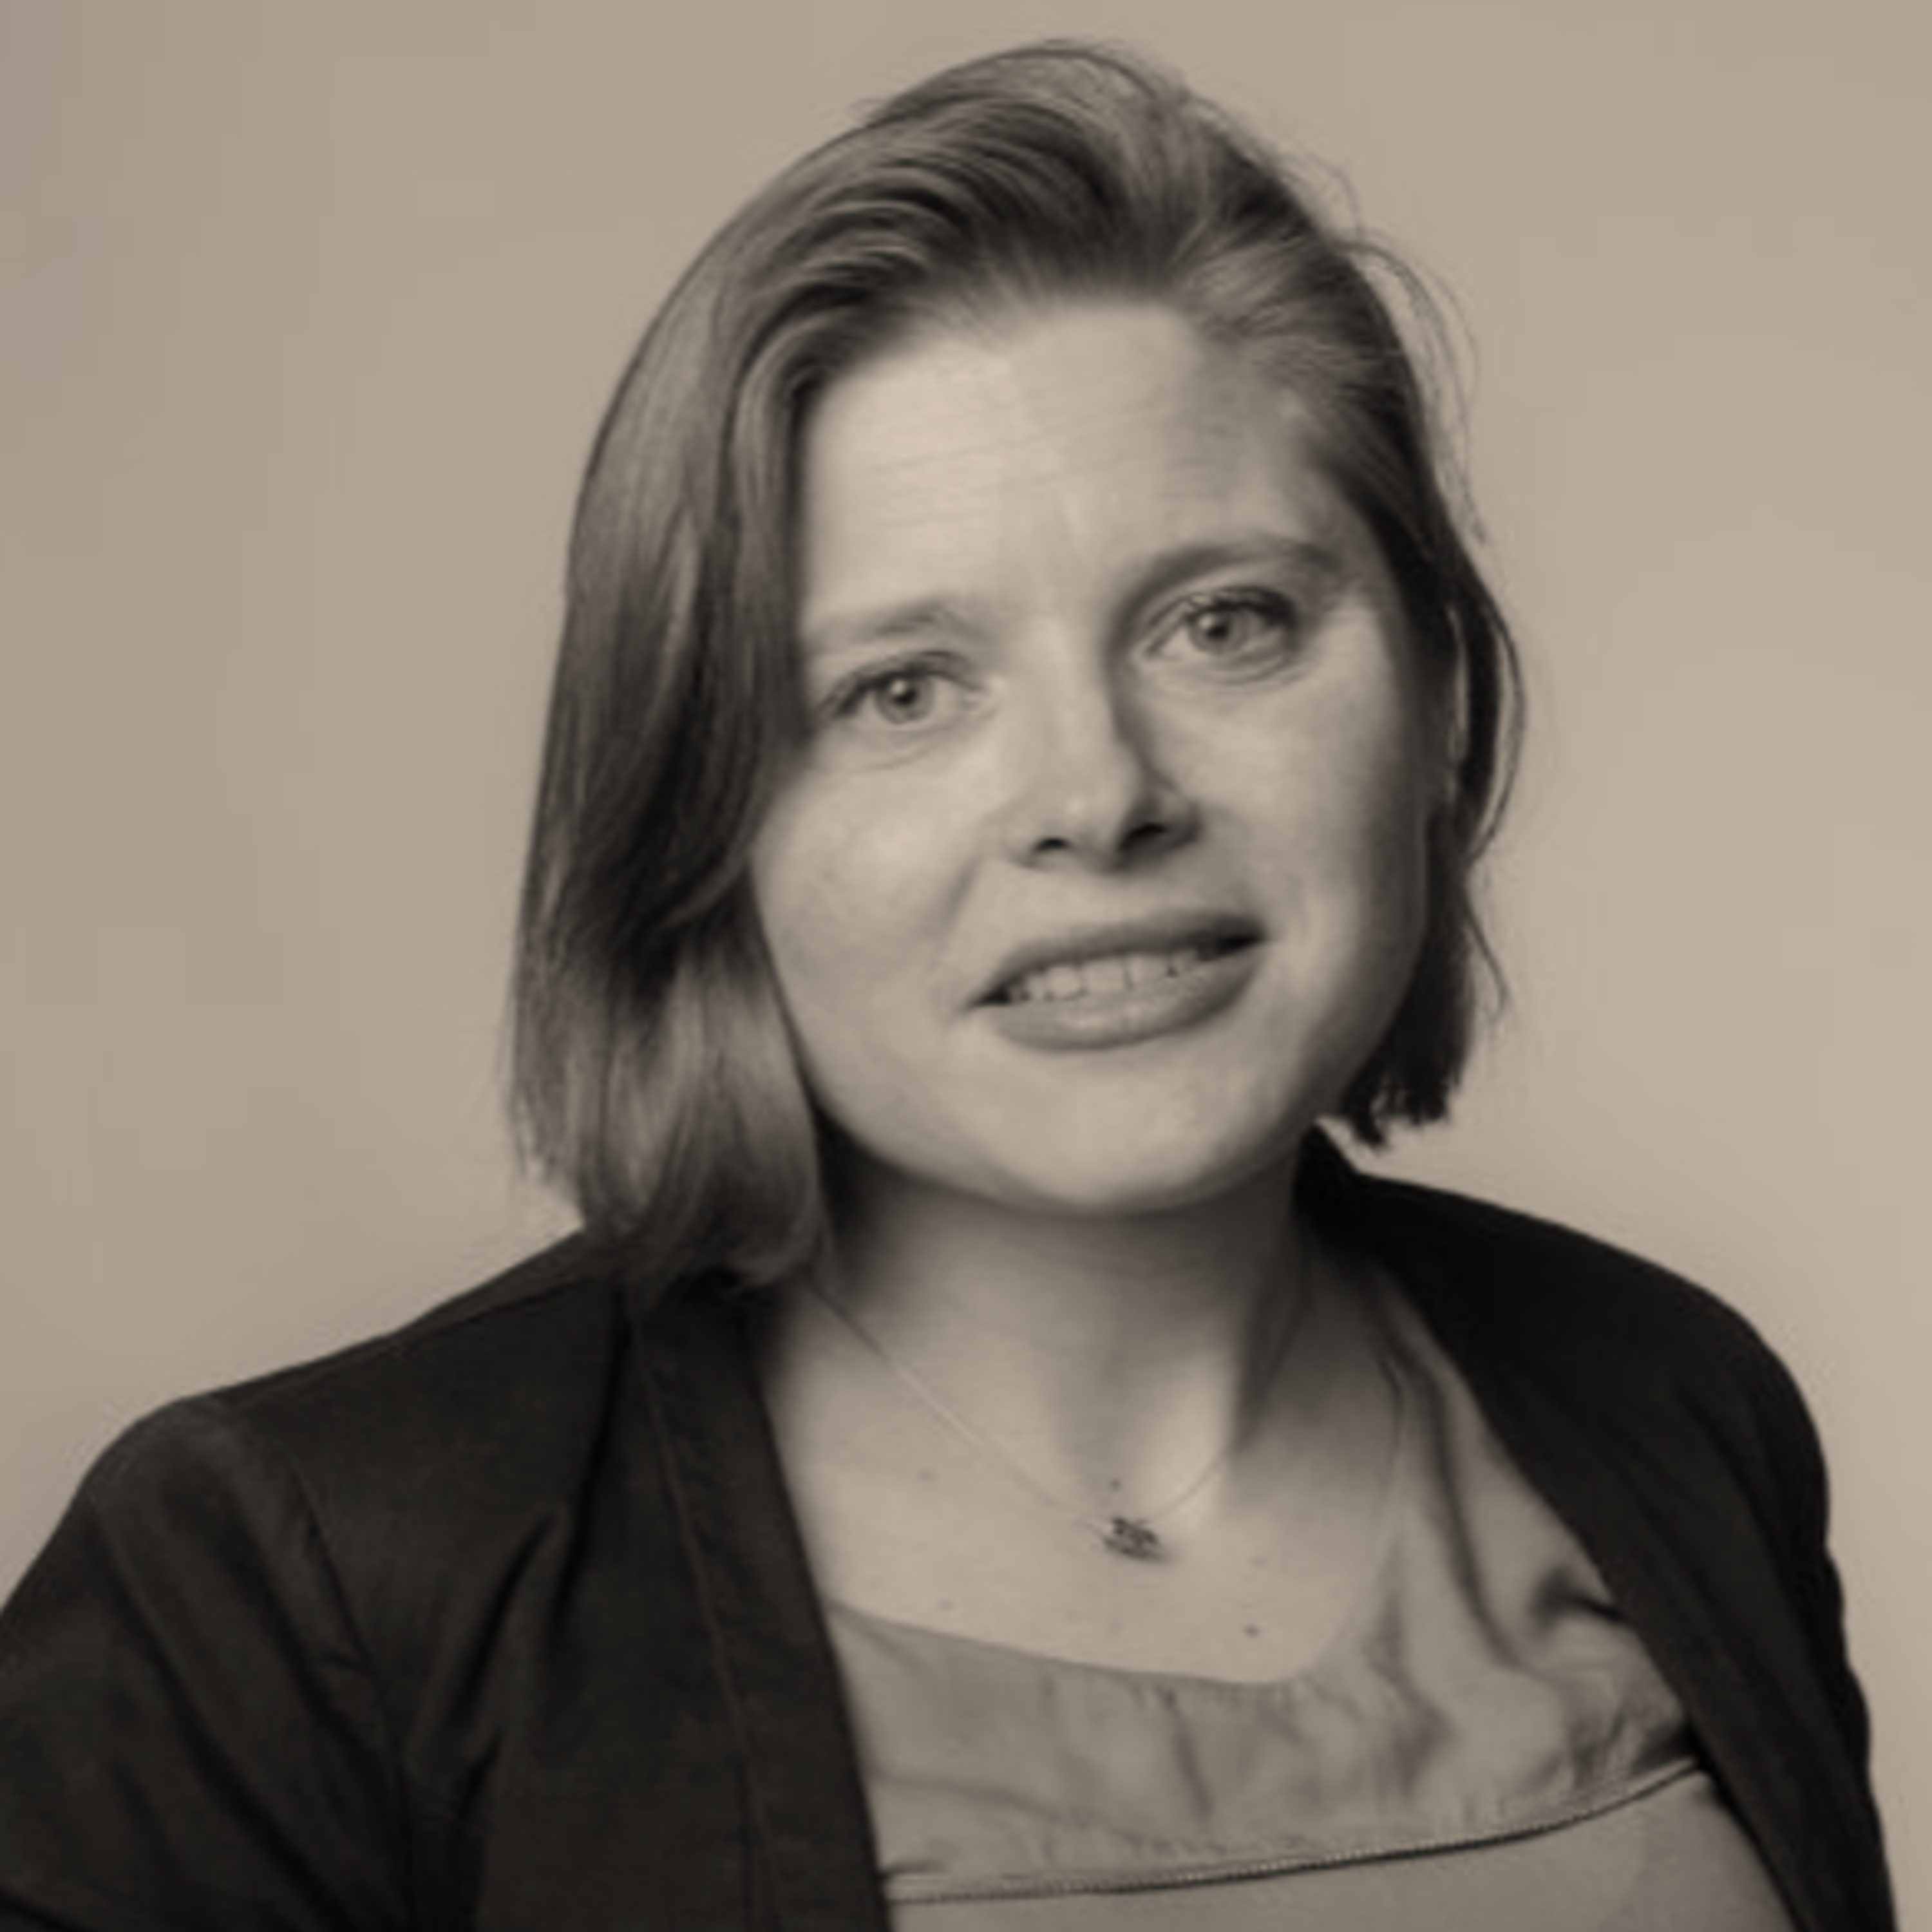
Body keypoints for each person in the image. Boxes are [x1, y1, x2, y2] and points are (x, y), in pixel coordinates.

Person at [0, 41, 1893, 1932]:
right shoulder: (295, 1583)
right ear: (697, 809)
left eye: (1223, 621)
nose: (1100, 794)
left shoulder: (1670, 1403)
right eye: (901, 689)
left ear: (1437, 698)